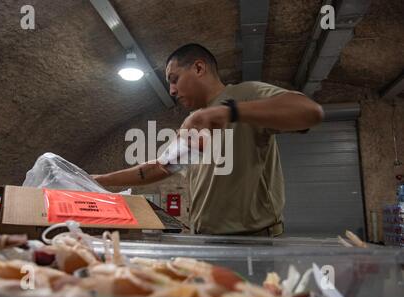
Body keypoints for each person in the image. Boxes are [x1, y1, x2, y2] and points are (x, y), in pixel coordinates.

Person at [93, 43, 324, 236]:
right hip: (206, 239)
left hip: (253, 241)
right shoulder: (194, 122)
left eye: (174, 79)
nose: (172, 90)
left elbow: (309, 112)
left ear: (199, 68)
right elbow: (160, 168)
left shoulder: (245, 94)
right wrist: (98, 180)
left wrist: (228, 112)